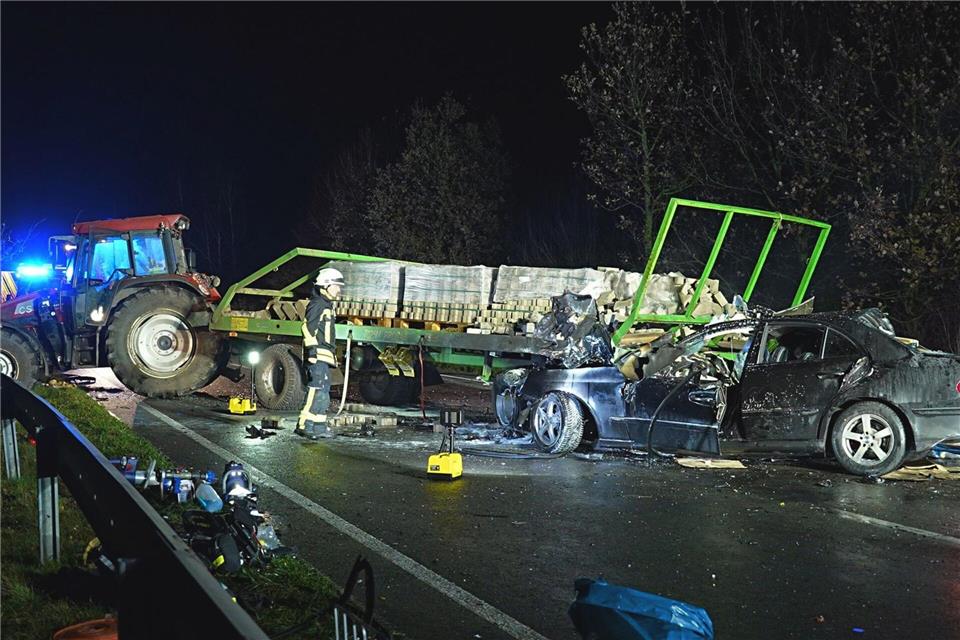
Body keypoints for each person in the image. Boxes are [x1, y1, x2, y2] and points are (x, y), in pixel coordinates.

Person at [297, 267, 344, 439]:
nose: (339, 290)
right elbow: (307, 328)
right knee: (316, 389)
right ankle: (304, 424)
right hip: (317, 355)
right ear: (325, 285)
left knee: (323, 391)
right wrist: (311, 351)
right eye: (336, 286)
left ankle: (318, 427)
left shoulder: (327, 305)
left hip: (325, 355)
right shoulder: (317, 304)